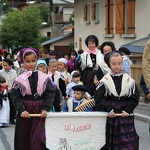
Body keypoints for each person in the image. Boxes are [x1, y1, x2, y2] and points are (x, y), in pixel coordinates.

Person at [10, 48, 55, 150]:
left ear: (37, 60)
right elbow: (15, 96)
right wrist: (21, 110)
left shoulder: (44, 77)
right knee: (24, 137)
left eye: (33, 61)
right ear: (23, 62)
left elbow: (49, 94)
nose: (31, 64)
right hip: (26, 111)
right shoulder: (19, 80)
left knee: (39, 138)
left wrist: (45, 108)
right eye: (28, 61)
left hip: (40, 111)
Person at [93, 51, 139, 150]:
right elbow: (99, 98)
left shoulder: (129, 80)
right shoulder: (105, 80)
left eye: (119, 63)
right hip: (111, 112)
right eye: (113, 64)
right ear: (109, 64)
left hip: (125, 112)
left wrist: (128, 109)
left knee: (127, 141)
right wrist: (108, 109)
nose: (117, 66)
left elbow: (134, 97)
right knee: (110, 141)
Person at [0, 58, 17, 124]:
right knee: (5, 105)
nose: (5, 67)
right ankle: (4, 119)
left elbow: (16, 81)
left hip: (12, 91)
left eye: (6, 65)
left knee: (13, 105)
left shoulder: (14, 72)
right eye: (4, 65)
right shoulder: (1, 72)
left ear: (10, 66)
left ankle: (12, 119)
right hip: (4, 91)